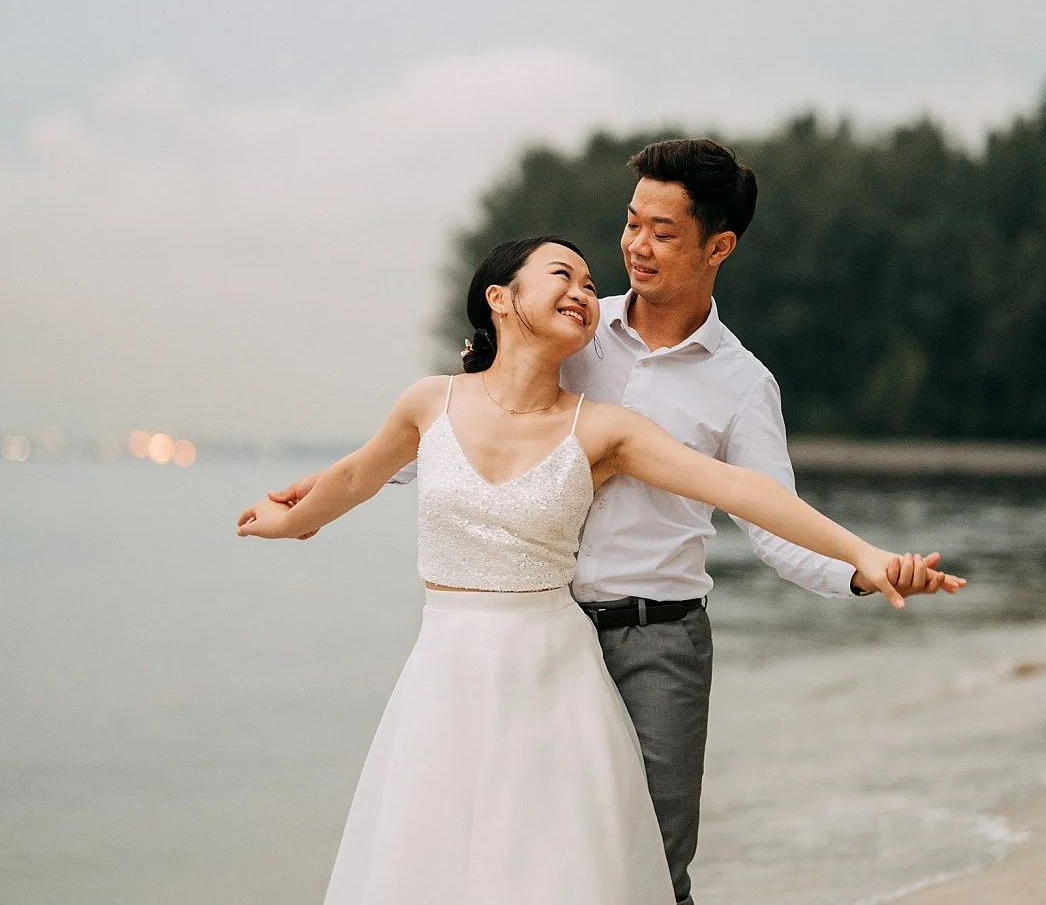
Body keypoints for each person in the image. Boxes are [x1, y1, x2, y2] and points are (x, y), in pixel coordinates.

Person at [239, 235, 960, 904]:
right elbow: (362, 476)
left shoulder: (605, 428)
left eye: (590, 284)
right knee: (430, 865)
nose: (586, 291)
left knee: (565, 872)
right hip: (444, 675)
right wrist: (291, 519)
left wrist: (863, 556)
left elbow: (744, 490)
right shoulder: (431, 402)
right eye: (564, 276)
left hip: (557, 669)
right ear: (499, 297)